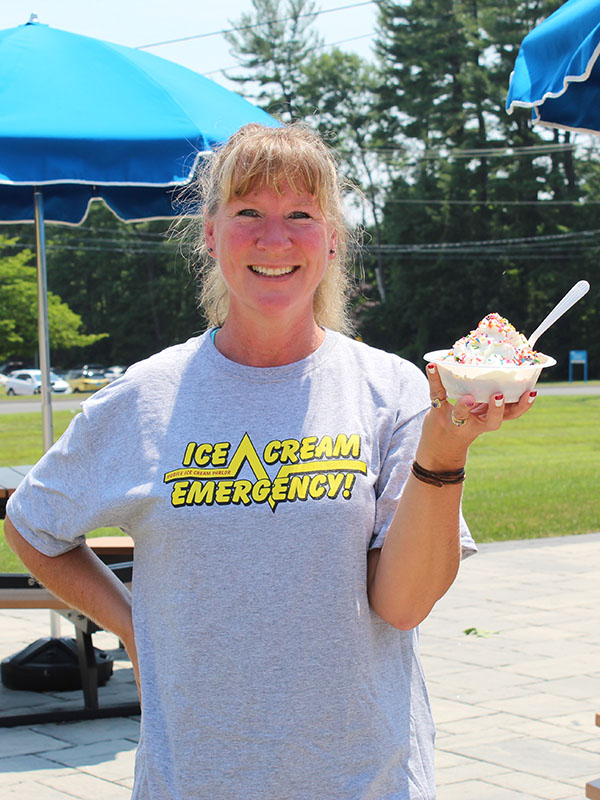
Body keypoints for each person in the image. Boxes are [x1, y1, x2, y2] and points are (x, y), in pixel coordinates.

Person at [5, 122, 536, 800]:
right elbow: (31, 523)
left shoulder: (393, 390)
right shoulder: (146, 395)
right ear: (209, 232)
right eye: (248, 212)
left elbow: (402, 605)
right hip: (196, 778)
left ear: (334, 237)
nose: (274, 238)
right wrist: (131, 622)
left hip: (364, 778)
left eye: (301, 216)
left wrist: (444, 451)